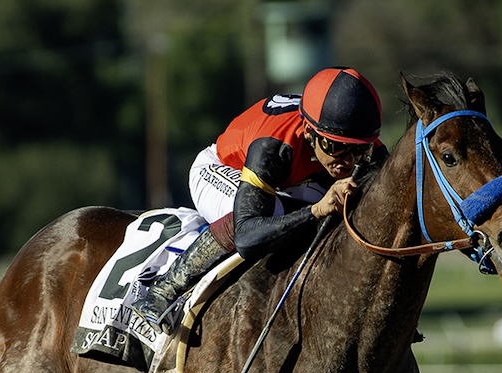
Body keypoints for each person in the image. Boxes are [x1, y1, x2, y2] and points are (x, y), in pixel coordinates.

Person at [131, 66, 388, 332]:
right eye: (335, 147)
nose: (348, 161)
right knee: (273, 213)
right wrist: (315, 211)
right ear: (310, 132)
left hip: (292, 180)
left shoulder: (362, 140)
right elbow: (246, 237)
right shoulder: (274, 145)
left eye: (360, 150)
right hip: (223, 167)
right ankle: (161, 292)